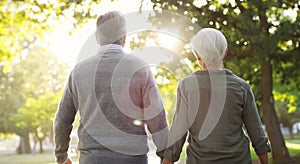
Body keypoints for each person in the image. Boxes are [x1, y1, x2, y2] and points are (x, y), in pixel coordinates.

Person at [54, 11, 168, 164]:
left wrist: (62, 156)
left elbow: (62, 119)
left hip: (92, 158)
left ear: (97, 38)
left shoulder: (79, 71)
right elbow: (156, 117)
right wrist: (167, 154)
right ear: (124, 38)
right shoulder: (140, 68)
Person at [162, 28, 270, 164]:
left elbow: (177, 133)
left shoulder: (187, 86)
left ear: (197, 54)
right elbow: (256, 131)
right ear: (225, 52)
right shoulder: (241, 86)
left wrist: (167, 160)